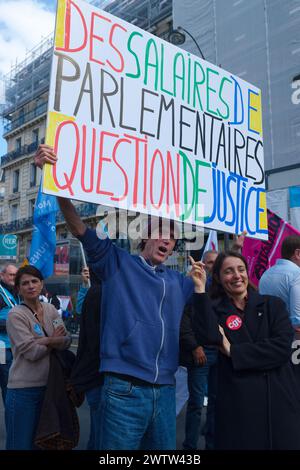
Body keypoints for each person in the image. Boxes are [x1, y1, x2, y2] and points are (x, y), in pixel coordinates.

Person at [35, 144, 194, 450]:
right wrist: (53, 177)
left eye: (172, 238)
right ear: (146, 237)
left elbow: (218, 286)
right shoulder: (118, 263)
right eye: (161, 233)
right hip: (124, 390)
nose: (167, 240)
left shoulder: (179, 282)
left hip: (165, 390)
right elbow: (79, 227)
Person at [189, 251, 300, 449]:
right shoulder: (215, 309)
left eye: (241, 269)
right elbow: (208, 337)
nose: (237, 276)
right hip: (238, 406)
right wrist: (199, 289)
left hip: (278, 403)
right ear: (218, 278)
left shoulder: (273, 305)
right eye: (228, 271)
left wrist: (234, 351)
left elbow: (282, 348)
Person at [5, 265, 71, 450]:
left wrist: (43, 342)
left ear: (41, 284)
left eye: (34, 281)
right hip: (23, 392)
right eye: (25, 283)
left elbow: (66, 340)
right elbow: (31, 352)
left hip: (50, 388)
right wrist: (52, 339)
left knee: (42, 444)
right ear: (18, 289)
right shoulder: (16, 315)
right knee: (20, 444)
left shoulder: (51, 310)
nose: (31, 286)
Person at [179, 249, 218, 450]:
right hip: (200, 354)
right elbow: (183, 319)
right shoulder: (195, 288)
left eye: (216, 262)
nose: (212, 266)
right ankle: (190, 447)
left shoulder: (224, 288)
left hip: (220, 354)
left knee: (216, 403)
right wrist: (194, 346)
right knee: (195, 404)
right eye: (209, 262)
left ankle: (211, 443)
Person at [71, 269, 102, 450]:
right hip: (96, 373)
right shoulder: (96, 293)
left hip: (99, 374)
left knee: (100, 430)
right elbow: (80, 309)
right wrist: (84, 285)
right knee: (100, 429)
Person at [259, 235, 300, 336]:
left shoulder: (266, 273)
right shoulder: (297, 275)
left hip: (267, 334)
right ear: (298, 253)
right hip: (291, 339)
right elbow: (297, 319)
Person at [0, 263, 19, 404]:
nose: (14, 278)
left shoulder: (17, 292)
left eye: (16, 275)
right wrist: (11, 324)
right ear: (2, 275)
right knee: (7, 385)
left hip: (14, 347)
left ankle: (11, 420)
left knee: (10, 386)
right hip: (2, 348)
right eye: (11, 275)